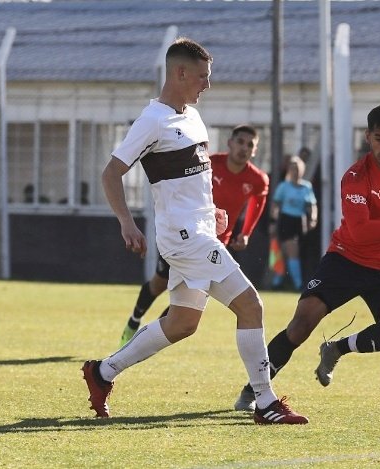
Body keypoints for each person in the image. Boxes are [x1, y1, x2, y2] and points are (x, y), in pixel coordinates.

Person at [81, 37, 307, 424]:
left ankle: (102, 372)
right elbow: (111, 173)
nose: (207, 84)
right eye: (202, 77)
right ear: (180, 73)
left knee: (183, 323)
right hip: (183, 237)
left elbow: (193, 180)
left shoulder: (192, 117)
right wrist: (126, 222)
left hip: (198, 231)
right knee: (251, 305)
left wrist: (214, 211)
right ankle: (266, 402)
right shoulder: (152, 120)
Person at [233, 104, 380, 411]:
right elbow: (361, 232)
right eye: (378, 139)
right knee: (300, 326)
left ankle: (336, 349)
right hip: (344, 260)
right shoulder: (356, 176)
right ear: (367, 137)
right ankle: (255, 389)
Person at [119, 124, 270, 346]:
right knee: (158, 284)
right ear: (230, 143)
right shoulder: (209, 164)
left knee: (191, 298)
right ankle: (134, 321)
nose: (244, 148)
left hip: (215, 244)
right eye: (240, 142)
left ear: (254, 151)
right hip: (185, 237)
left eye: (250, 145)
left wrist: (245, 232)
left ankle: (149, 340)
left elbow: (259, 199)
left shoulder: (257, 179)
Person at [269, 155, 318, 291]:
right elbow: (275, 205)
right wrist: (273, 222)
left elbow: (311, 206)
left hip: (300, 223)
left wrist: (312, 219)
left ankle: (277, 282)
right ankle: (298, 284)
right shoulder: (284, 187)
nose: (295, 171)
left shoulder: (306, 187)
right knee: (291, 251)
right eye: (292, 168)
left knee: (288, 253)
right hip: (286, 221)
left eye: (297, 168)